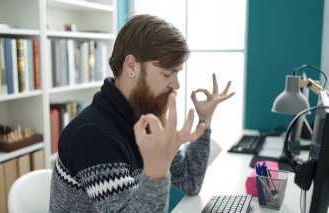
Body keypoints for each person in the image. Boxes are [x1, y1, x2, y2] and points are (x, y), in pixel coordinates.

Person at [49, 14, 235, 212]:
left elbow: (190, 182)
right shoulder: (92, 135)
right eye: (166, 73)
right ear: (131, 66)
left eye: (177, 73)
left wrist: (204, 120)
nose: (176, 84)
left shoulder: (145, 115)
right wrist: (158, 167)